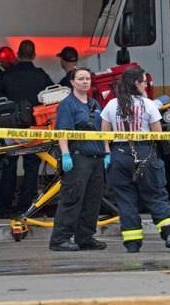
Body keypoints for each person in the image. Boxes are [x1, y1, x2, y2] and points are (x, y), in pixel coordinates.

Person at [101, 67, 170, 253]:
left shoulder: (112, 105)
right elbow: (158, 134)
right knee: (156, 195)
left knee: (125, 199)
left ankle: (132, 243)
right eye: (144, 82)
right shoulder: (148, 104)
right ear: (137, 84)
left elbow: (104, 134)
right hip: (145, 152)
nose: (146, 85)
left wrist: (108, 155)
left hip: (119, 154)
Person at [0, 39, 54, 216]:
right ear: (33, 55)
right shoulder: (41, 76)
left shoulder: (7, 75)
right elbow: (52, 97)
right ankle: (25, 206)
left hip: (11, 129)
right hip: (35, 128)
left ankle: (4, 207)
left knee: (8, 166)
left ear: (17, 54)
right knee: (32, 167)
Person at [49, 68, 108, 251]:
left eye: (87, 79)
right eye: (81, 79)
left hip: (96, 157)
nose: (85, 82)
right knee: (72, 198)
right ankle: (60, 239)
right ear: (72, 82)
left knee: (93, 200)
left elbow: (103, 130)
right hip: (78, 157)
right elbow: (63, 131)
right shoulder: (68, 105)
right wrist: (65, 153)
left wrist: (107, 152)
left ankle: (85, 237)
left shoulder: (95, 104)